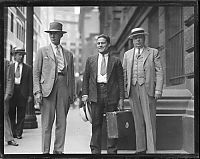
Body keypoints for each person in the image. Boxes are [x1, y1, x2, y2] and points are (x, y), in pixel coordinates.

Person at [33, 22, 75, 154]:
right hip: (47, 90)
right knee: (46, 124)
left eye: (55, 33)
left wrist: (72, 94)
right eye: (51, 33)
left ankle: (58, 151)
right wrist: (37, 91)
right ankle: (45, 152)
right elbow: (36, 73)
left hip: (63, 88)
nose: (52, 36)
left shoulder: (68, 54)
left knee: (61, 123)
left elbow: (71, 76)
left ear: (61, 35)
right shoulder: (42, 51)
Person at [123, 28, 164, 154]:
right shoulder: (127, 54)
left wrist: (158, 90)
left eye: (140, 37)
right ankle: (140, 148)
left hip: (148, 89)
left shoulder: (153, 52)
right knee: (137, 120)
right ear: (132, 40)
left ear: (144, 38)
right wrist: (125, 90)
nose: (138, 40)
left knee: (150, 120)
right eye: (135, 38)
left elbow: (159, 72)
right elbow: (124, 73)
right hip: (133, 89)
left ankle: (152, 150)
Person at [82, 34, 124, 154]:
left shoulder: (116, 61)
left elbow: (121, 80)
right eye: (98, 43)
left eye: (103, 43)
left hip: (111, 95)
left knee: (112, 124)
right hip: (95, 95)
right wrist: (85, 94)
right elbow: (86, 78)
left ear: (108, 45)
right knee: (96, 124)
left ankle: (112, 151)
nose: (100, 45)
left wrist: (121, 98)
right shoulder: (91, 60)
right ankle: (95, 151)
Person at [4, 49, 33, 140]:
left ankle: (19, 132)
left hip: (22, 93)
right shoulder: (10, 67)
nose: (21, 57)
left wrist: (30, 95)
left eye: (22, 55)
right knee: (11, 113)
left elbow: (30, 83)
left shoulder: (28, 68)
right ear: (15, 56)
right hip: (12, 92)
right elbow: (6, 80)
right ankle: (13, 132)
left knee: (21, 114)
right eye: (19, 55)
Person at [4, 58, 18, 146]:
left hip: (3, 95)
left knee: (4, 115)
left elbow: (10, 79)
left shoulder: (5, 62)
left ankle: (9, 138)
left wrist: (8, 93)